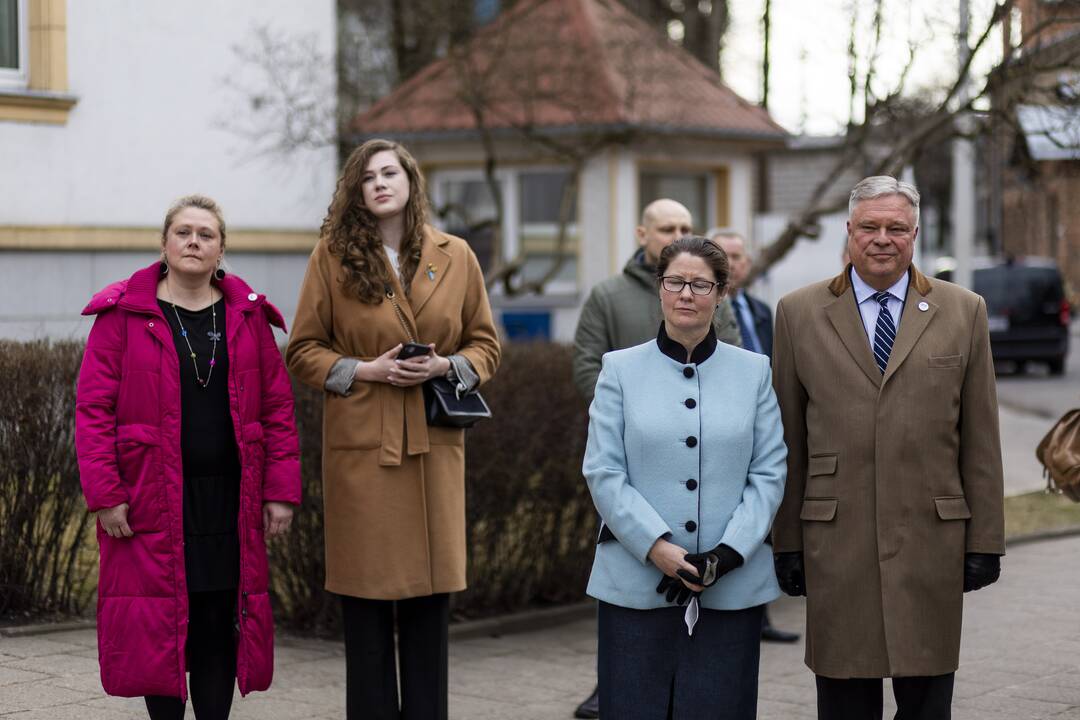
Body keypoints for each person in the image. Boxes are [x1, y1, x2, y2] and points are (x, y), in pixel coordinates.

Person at [770, 176, 1005, 720]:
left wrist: (986, 539)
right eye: (869, 227)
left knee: (927, 701)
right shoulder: (798, 312)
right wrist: (785, 542)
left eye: (896, 228)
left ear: (915, 234)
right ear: (849, 232)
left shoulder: (963, 310)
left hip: (931, 539)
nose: (882, 238)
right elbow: (787, 439)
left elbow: (981, 438)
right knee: (845, 697)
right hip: (836, 539)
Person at [285, 138, 500, 720]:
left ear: (410, 182)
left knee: (431, 607)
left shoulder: (455, 254)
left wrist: (444, 366)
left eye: (390, 173)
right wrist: (365, 369)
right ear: (355, 191)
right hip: (364, 449)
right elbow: (302, 350)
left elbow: (485, 345)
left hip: (433, 448)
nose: (380, 183)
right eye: (367, 177)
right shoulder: (331, 257)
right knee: (368, 610)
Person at [75, 194, 301, 720]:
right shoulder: (122, 317)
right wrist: (107, 496)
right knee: (161, 625)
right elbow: (92, 412)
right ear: (164, 243)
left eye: (206, 234)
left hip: (229, 500)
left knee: (219, 623)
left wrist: (280, 492)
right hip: (152, 496)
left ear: (221, 250)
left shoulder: (247, 317)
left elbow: (278, 409)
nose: (194, 241)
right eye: (183, 232)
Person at [583, 235, 787, 720]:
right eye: (675, 282)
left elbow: (770, 470)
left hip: (730, 588)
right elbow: (603, 470)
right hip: (635, 582)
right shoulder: (619, 369)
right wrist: (655, 546)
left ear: (721, 293)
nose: (686, 294)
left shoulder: (754, 371)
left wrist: (728, 553)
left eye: (700, 284)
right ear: (659, 289)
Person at [570, 199, 741, 718]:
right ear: (643, 232)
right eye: (668, 227)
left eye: (687, 226)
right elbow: (587, 367)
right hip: (634, 464)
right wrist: (630, 413)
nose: (678, 233)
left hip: (712, 484)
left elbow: (730, 368)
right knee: (635, 678)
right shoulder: (608, 295)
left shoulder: (715, 297)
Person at [708, 228, 800, 645]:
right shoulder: (701, 302)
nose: (736, 263)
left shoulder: (764, 310)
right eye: (725, 255)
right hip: (722, 427)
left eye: (740, 256)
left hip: (763, 421)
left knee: (761, 516)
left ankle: (759, 610)